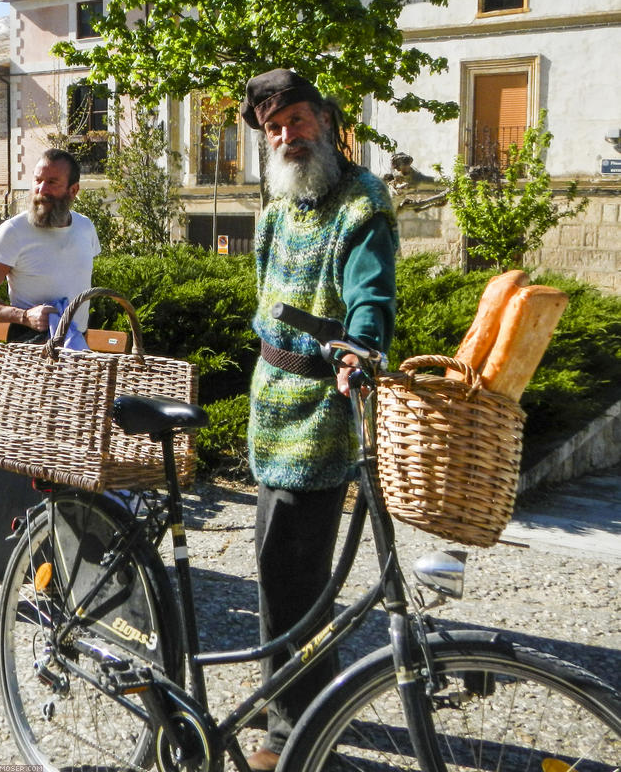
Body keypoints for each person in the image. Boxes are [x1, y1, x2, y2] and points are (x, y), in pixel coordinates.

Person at [241, 68, 398, 771]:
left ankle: (292, 731)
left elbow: (370, 294)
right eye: (274, 128)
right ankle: (305, 704)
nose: (286, 136)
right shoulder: (275, 205)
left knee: (297, 575)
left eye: (296, 121)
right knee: (280, 570)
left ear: (325, 122)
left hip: (321, 414)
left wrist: (361, 347)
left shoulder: (361, 201)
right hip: (267, 409)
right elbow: (264, 288)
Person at [0, 148, 100, 582]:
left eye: (52, 183)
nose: (40, 190)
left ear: (73, 190)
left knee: (67, 464)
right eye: (37, 180)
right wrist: (24, 315)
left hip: (72, 359)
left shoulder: (86, 230)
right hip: (26, 355)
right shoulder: (13, 232)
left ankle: (63, 563)